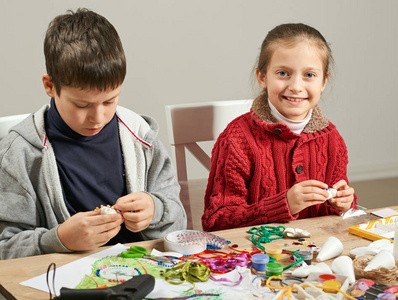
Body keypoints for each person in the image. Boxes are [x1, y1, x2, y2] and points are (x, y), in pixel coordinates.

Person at [0, 8, 186, 260]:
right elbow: (5, 248)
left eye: (110, 101)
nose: (97, 118)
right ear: (50, 86)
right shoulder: (19, 154)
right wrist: (59, 239)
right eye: (82, 105)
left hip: (145, 275)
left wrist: (156, 210)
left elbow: (178, 224)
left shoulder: (141, 138)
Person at [202, 23, 357, 231]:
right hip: (257, 257)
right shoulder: (237, 139)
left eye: (309, 75)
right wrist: (283, 205)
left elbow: (339, 212)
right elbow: (216, 221)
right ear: (263, 77)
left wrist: (344, 203)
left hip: (316, 255)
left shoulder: (332, 139)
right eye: (283, 73)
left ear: (323, 82)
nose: (295, 86)